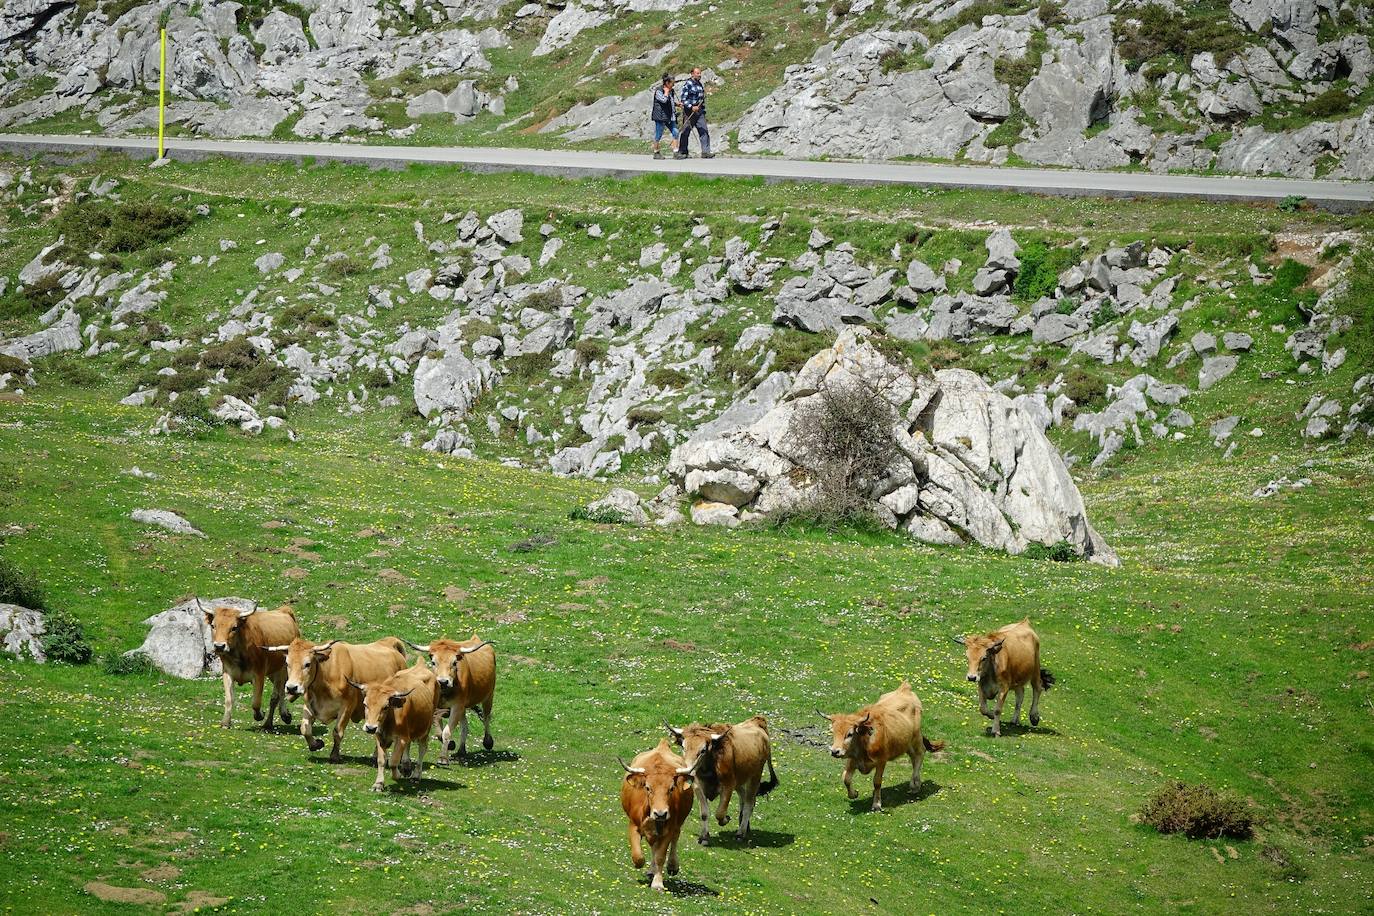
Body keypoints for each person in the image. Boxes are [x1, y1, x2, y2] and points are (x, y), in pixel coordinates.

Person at [676, 67, 712, 160]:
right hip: (689, 111)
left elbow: (701, 98)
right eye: (697, 73)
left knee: (704, 130)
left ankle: (706, 151)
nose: (699, 75)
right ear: (692, 74)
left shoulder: (700, 84)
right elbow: (683, 99)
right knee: (686, 131)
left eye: (700, 73)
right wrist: (691, 107)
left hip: (699, 111)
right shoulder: (688, 84)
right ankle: (683, 151)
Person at [650, 74, 679, 159]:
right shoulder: (659, 90)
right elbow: (663, 100)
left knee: (675, 132)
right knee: (658, 134)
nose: (673, 85)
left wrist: (677, 104)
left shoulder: (671, 91)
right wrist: (666, 92)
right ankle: (656, 152)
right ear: (667, 82)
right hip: (661, 116)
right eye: (672, 83)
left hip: (670, 116)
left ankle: (676, 152)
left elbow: (670, 101)